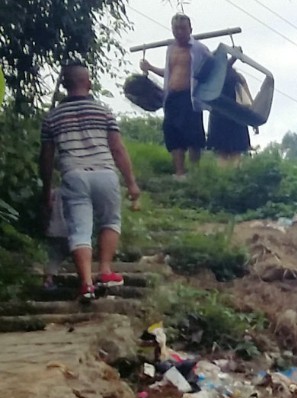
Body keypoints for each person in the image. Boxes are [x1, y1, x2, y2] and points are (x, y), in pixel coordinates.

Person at [39, 61, 141, 304]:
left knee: (79, 230)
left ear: (65, 85)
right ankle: (104, 271)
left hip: (74, 175)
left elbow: (45, 158)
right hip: (105, 173)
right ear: (88, 82)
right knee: (110, 221)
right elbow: (117, 148)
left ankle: (86, 284)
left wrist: (46, 190)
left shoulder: (52, 117)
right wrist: (132, 183)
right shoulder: (103, 111)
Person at [141, 13, 212, 176]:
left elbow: (213, 68)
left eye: (183, 28)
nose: (179, 31)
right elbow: (169, 73)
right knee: (173, 134)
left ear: (190, 29)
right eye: (176, 28)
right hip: (172, 97)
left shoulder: (199, 49)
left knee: (194, 136)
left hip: (191, 98)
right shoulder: (171, 49)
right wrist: (150, 68)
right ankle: (179, 173)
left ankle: (195, 173)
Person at [206, 63, 253, 164]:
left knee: (221, 154)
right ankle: (233, 177)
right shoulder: (239, 78)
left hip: (218, 118)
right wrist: (253, 120)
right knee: (236, 154)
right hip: (237, 117)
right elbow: (248, 100)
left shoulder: (214, 77)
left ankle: (223, 178)